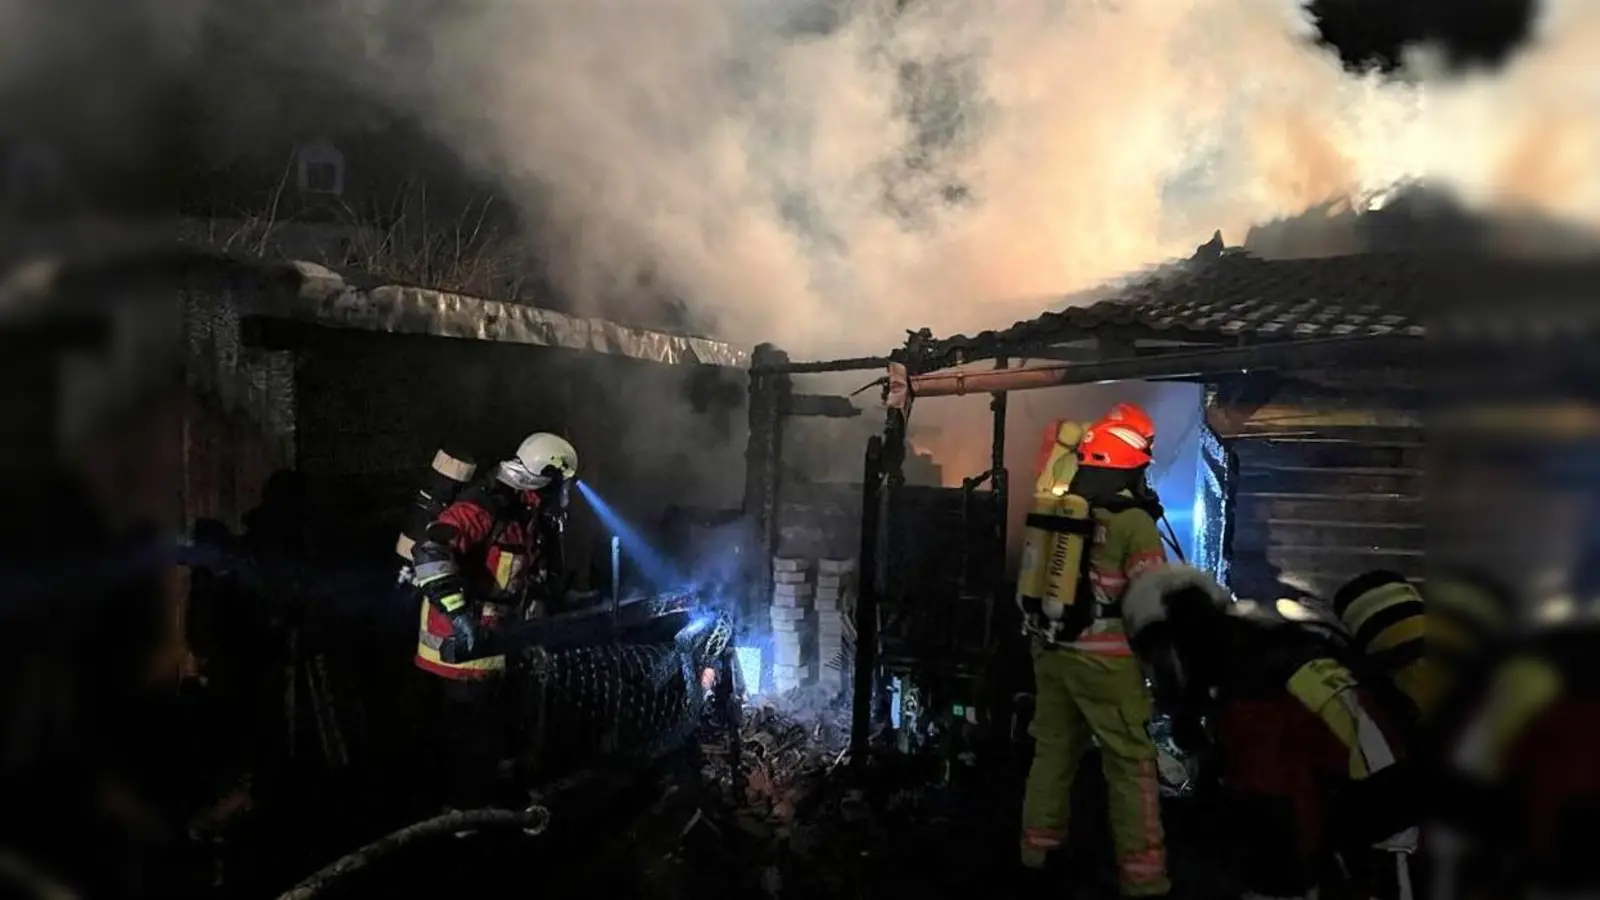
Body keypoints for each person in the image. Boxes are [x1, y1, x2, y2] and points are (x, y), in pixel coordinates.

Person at [1123, 565, 1420, 900]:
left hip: (1375, 859)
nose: (1155, 675)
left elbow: (1383, 793)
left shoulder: (1271, 686)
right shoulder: (1243, 680)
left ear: (1175, 643)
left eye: (1154, 658)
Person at [1019, 420, 1171, 897]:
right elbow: (1152, 593)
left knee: (1053, 751)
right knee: (1131, 762)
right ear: (1133, 466)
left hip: (1051, 646)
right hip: (1107, 661)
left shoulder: (1061, 505)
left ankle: (1037, 853)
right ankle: (1144, 879)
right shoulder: (1134, 522)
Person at [409, 432, 578, 805]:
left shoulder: (522, 512)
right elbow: (432, 550)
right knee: (466, 753)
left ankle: (489, 817)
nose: (564, 492)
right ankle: (461, 830)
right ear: (545, 474)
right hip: (455, 657)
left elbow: (518, 579)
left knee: (492, 747)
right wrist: (459, 616)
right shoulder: (482, 508)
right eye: (562, 483)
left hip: (490, 655)